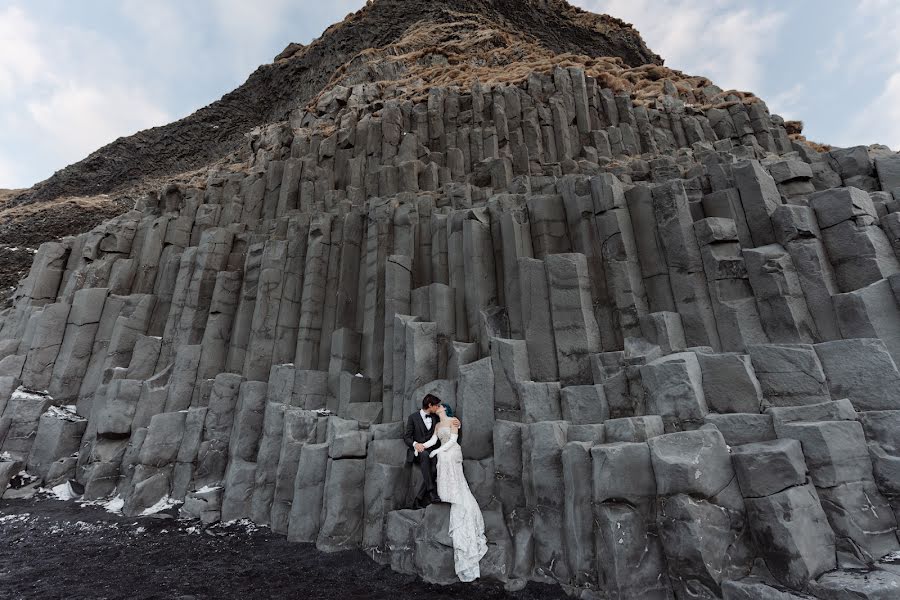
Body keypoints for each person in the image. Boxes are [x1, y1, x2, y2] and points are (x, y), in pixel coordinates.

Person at [421, 403, 488, 582]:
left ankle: (455, 493)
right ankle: (446, 492)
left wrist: (437, 451)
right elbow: (433, 440)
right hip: (443, 452)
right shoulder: (437, 425)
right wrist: (422, 445)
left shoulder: (453, 421)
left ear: (445, 409)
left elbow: (451, 440)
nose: (438, 407)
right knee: (441, 456)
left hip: (452, 451)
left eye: (440, 406)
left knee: (445, 455)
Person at [404, 395, 457, 508]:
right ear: (430, 405)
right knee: (424, 455)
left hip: (433, 450)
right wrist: (415, 444)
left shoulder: (435, 417)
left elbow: (447, 421)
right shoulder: (413, 417)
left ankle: (418, 498)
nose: (438, 407)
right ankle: (431, 491)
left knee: (434, 466)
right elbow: (407, 437)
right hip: (419, 452)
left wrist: (456, 421)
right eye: (436, 405)